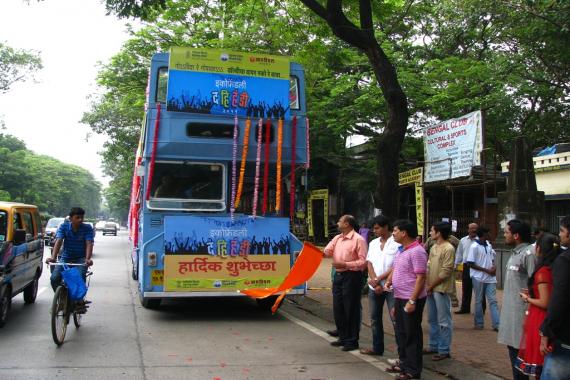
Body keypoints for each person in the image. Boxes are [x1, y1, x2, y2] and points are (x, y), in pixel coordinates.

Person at [385, 219, 427, 380]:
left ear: (404, 233)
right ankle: (404, 364)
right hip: (399, 296)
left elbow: (421, 277)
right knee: (401, 333)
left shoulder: (417, 251)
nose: (393, 233)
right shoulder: (402, 250)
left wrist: (412, 301)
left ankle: (413, 371)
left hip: (410, 298)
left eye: (395, 230)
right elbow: (396, 268)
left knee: (412, 334)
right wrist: (390, 280)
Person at [515, 233, 560, 378]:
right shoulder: (556, 268)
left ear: (539, 249)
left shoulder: (542, 272)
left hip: (539, 318)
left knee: (540, 363)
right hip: (547, 316)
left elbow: (544, 302)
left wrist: (527, 298)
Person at [498, 219, 536, 380]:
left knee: (522, 356)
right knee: (514, 352)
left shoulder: (530, 253)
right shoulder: (516, 253)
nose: (504, 235)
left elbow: (536, 282)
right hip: (511, 313)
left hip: (522, 314)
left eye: (506, 232)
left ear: (516, 235)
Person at [323, 214, 367, 351]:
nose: (337, 223)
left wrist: (345, 264)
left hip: (352, 276)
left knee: (351, 308)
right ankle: (342, 337)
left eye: (340, 221)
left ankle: (352, 340)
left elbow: (363, 262)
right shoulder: (337, 238)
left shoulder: (359, 240)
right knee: (338, 307)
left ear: (347, 224)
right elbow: (327, 251)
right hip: (339, 275)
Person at [359, 215, 400, 356]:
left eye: (377, 228)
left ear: (385, 227)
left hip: (391, 287)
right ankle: (377, 348)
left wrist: (378, 279)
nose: (374, 231)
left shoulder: (397, 244)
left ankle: (401, 353)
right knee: (374, 318)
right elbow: (369, 262)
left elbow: (396, 265)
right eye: (373, 228)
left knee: (396, 319)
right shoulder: (373, 243)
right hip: (374, 286)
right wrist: (374, 281)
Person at [539, 216, 570, 380]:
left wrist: (546, 332)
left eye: (562, 231)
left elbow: (559, 300)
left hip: (565, 340)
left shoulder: (564, 261)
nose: (560, 235)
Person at [424, 221, 455, 361]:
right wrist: (428, 285)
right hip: (431, 287)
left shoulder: (448, 248)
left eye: (432, 230)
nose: (430, 233)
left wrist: (431, 286)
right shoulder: (434, 247)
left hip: (441, 288)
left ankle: (444, 349)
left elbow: (446, 272)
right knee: (432, 318)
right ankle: (433, 344)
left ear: (439, 232)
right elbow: (429, 267)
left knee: (443, 320)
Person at [46, 207, 94, 292]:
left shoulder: (87, 228)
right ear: (71, 218)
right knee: (54, 278)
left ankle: (79, 300)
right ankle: (60, 298)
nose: (80, 220)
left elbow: (89, 243)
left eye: (82, 217)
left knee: (79, 278)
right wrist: (53, 258)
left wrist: (87, 259)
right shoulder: (64, 227)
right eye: (77, 217)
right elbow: (59, 241)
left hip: (81, 259)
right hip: (66, 257)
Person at [466, 226, 500, 331]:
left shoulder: (488, 245)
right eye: (488, 233)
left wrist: (494, 267)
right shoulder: (474, 246)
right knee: (479, 300)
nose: (490, 235)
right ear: (484, 234)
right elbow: (470, 263)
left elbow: (492, 259)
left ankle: (497, 324)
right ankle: (479, 323)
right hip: (478, 277)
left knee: (493, 301)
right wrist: (486, 270)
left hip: (490, 278)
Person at [455, 222, 478, 314]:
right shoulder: (463, 240)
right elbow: (459, 254)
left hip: (477, 267)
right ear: (468, 229)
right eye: (471, 228)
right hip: (466, 266)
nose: (473, 230)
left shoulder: (481, 240)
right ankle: (465, 308)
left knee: (478, 290)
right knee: (466, 288)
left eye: (475, 228)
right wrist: (456, 265)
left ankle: (480, 309)